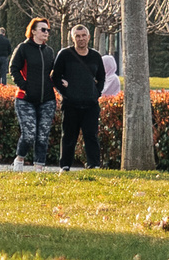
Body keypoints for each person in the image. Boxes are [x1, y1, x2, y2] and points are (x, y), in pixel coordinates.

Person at [9, 16, 59, 167]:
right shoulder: (23, 48)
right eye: (43, 29)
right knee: (29, 134)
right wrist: (25, 86)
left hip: (48, 99)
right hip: (26, 98)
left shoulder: (49, 51)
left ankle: (39, 167)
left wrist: (59, 82)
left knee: (43, 135)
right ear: (33, 31)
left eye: (48, 30)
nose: (46, 33)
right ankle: (19, 159)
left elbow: (54, 72)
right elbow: (13, 68)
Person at [54, 23, 105, 168]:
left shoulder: (95, 56)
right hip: (71, 104)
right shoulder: (65, 54)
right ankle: (65, 166)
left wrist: (96, 93)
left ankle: (94, 165)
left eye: (83, 36)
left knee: (91, 136)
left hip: (91, 105)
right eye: (77, 36)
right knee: (69, 136)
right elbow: (55, 77)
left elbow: (101, 77)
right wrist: (65, 93)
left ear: (88, 37)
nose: (81, 38)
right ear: (73, 38)